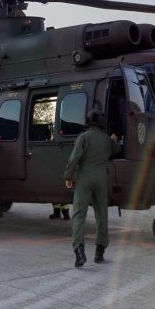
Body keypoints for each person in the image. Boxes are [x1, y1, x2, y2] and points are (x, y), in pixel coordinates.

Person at [64, 110, 119, 267]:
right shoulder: (106, 140)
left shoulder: (83, 137)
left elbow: (75, 158)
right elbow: (115, 150)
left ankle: (79, 252)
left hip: (84, 178)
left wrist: (68, 176)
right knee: (102, 215)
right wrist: (114, 140)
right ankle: (99, 253)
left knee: (79, 214)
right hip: (101, 179)